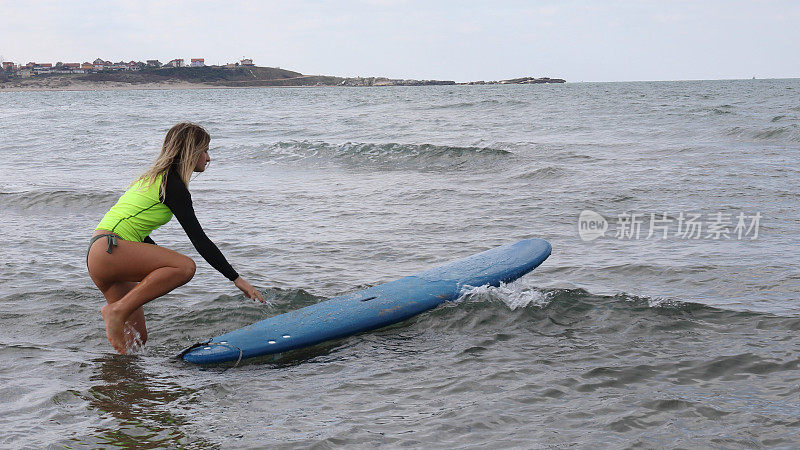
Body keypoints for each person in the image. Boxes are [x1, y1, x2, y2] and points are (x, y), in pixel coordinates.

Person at [87, 122, 265, 354]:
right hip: (111, 249)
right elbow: (199, 239)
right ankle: (116, 311)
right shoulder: (172, 184)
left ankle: (123, 382)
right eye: (205, 150)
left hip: (101, 254)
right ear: (191, 151)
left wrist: (156, 258)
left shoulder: (152, 179)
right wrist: (237, 280)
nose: (208, 158)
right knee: (185, 267)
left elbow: (136, 229)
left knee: (136, 339)